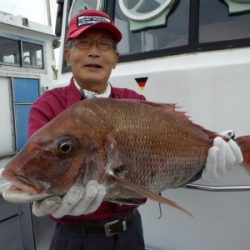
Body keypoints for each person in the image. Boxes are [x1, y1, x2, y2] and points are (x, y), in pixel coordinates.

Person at [28, 9, 243, 250]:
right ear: (68, 54)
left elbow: (160, 159)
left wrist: (207, 152)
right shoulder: (46, 106)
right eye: (83, 43)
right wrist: (40, 192)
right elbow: (42, 164)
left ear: (115, 58)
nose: (94, 51)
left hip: (129, 233)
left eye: (104, 45)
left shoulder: (132, 100)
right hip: (73, 238)